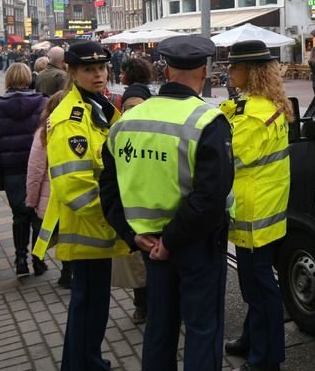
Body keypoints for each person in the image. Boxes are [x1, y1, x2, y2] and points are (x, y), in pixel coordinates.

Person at [100, 35, 234, 371]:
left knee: (160, 329)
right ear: (206, 69)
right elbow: (211, 197)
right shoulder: (208, 120)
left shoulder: (126, 122)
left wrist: (133, 237)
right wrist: (172, 241)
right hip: (196, 247)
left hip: (150, 245)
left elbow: (108, 188)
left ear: (167, 69)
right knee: (203, 329)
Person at [32, 41, 129, 371]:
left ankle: (83, 361)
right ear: (71, 73)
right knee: (89, 305)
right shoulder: (70, 119)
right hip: (89, 228)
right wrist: (115, 215)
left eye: (102, 68)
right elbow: (74, 186)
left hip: (97, 227)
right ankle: (84, 364)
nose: (99, 74)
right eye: (89, 69)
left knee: (93, 305)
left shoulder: (97, 107)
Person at [219, 40, 293, 371]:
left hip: (253, 211)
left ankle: (266, 359)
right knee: (256, 284)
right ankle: (252, 339)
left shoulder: (252, 115)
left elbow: (230, 158)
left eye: (233, 67)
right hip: (266, 207)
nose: (228, 72)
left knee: (259, 288)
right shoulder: (264, 104)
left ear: (250, 72)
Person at [0, 63, 47, 276]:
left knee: (19, 216)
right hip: (39, 167)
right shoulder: (43, 103)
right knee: (39, 215)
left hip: (12, 168)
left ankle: (20, 258)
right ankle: (39, 259)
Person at [109, 58, 153, 324]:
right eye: (126, 109)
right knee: (139, 263)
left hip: (146, 209)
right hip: (135, 208)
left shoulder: (152, 129)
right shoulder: (119, 133)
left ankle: (147, 306)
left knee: (146, 263)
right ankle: (143, 305)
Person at [25, 91, 72, 288]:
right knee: (69, 234)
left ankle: (39, 260)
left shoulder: (44, 132)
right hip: (73, 194)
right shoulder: (77, 130)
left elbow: (35, 170)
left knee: (45, 229)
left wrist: (31, 200)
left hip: (50, 195)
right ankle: (68, 272)